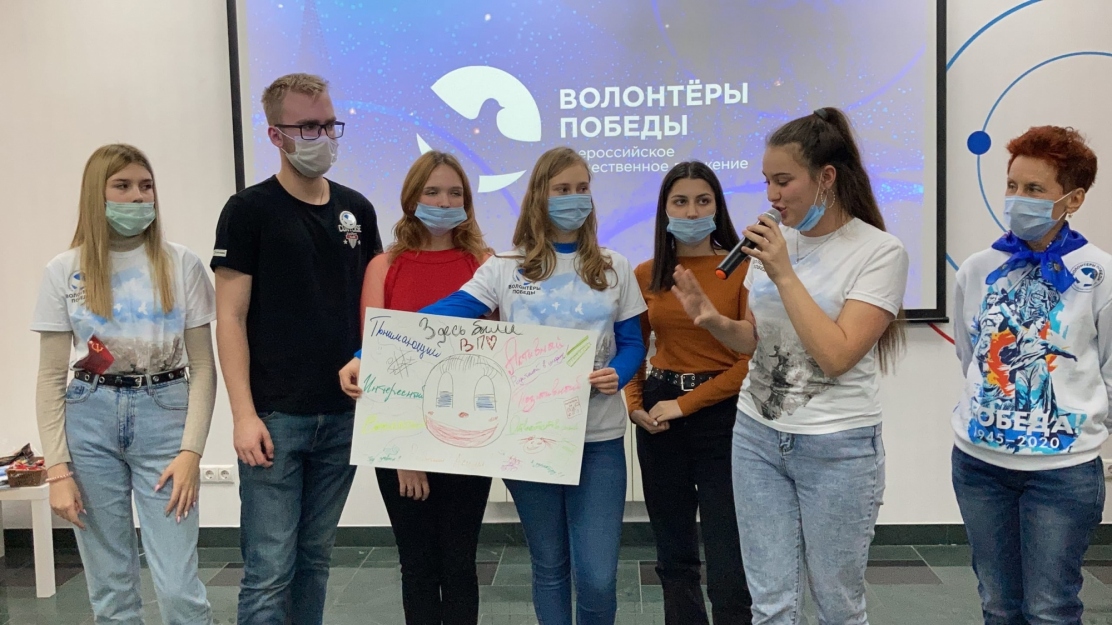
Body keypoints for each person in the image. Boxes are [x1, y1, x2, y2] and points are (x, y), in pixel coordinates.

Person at [346, 147, 647, 625]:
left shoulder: (615, 266)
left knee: (596, 576)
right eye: (562, 189)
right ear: (539, 197)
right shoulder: (505, 267)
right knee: (549, 567)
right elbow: (442, 317)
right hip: (528, 439)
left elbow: (632, 342)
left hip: (599, 439)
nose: (574, 198)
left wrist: (621, 372)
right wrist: (369, 354)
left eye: (582, 188)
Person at [671, 107, 908, 625]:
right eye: (766, 182)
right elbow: (757, 340)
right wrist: (711, 320)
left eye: (783, 181)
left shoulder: (879, 251)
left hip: (837, 446)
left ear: (826, 178)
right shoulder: (777, 245)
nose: (772, 196)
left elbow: (837, 355)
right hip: (756, 436)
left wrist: (782, 272)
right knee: (770, 603)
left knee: (836, 605)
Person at [211, 73, 382, 625]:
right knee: (268, 571)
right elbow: (230, 318)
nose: (322, 136)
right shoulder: (248, 210)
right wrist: (243, 415)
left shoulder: (357, 210)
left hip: (343, 416)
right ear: (275, 135)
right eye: (308, 127)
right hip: (275, 419)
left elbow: (375, 310)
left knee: (314, 560)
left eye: (329, 124)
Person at [32, 144, 216, 624]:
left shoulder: (181, 264)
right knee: (112, 593)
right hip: (89, 417)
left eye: (146, 186)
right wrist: (57, 471)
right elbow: (50, 377)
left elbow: (203, 365)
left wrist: (192, 452)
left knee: (178, 590)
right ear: (97, 194)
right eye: (123, 186)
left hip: (165, 415)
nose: (138, 197)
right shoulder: (64, 269)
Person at [952, 125, 1110, 624]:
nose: (1018, 198)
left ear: (1073, 199)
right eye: (1012, 185)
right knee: (998, 605)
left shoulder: (1099, 274)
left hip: (1062, 472)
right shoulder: (978, 268)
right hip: (980, 465)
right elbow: (971, 355)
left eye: (1035, 189)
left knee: (1050, 608)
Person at [337, 151, 493, 625]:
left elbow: (497, 355)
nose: (444, 202)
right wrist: (406, 453)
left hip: (470, 437)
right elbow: (379, 356)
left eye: (455, 193)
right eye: (432, 191)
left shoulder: (486, 264)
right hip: (400, 441)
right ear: (411, 198)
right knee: (419, 565)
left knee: (460, 564)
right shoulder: (384, 266)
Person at [623, 161, 752, 625]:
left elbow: (750, 360)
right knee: (674, 556)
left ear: (718, 207)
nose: (692, 211)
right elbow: (634, 348)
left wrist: (685, 404)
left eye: (703, 201)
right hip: (660, 417)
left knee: (729, 557)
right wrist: (634, 406)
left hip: (725, 416)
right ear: (665, 210)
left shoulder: (744, 270)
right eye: (681, 201)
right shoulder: (645, 274)